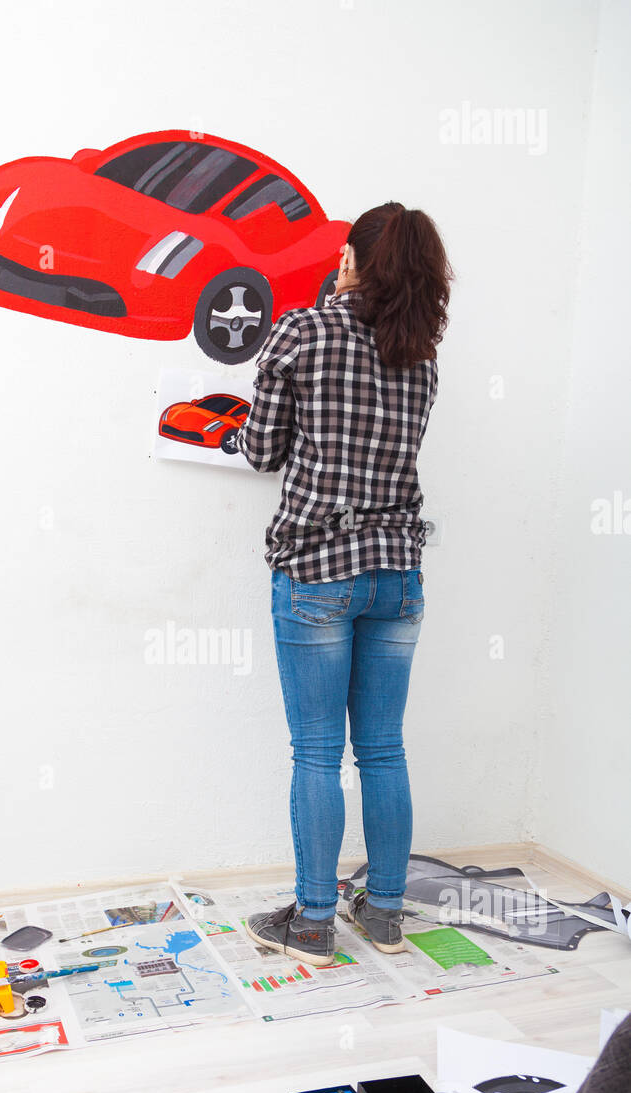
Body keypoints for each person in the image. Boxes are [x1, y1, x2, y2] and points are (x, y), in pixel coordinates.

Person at [236, 202, 451, 966]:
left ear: (353, 261)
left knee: (319, 751)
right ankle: (386, 914)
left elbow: (261, 451)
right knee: (384, 749)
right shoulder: (420, 355)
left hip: (319, 570)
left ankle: (313, 922)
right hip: (398, 573)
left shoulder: (304, 330)